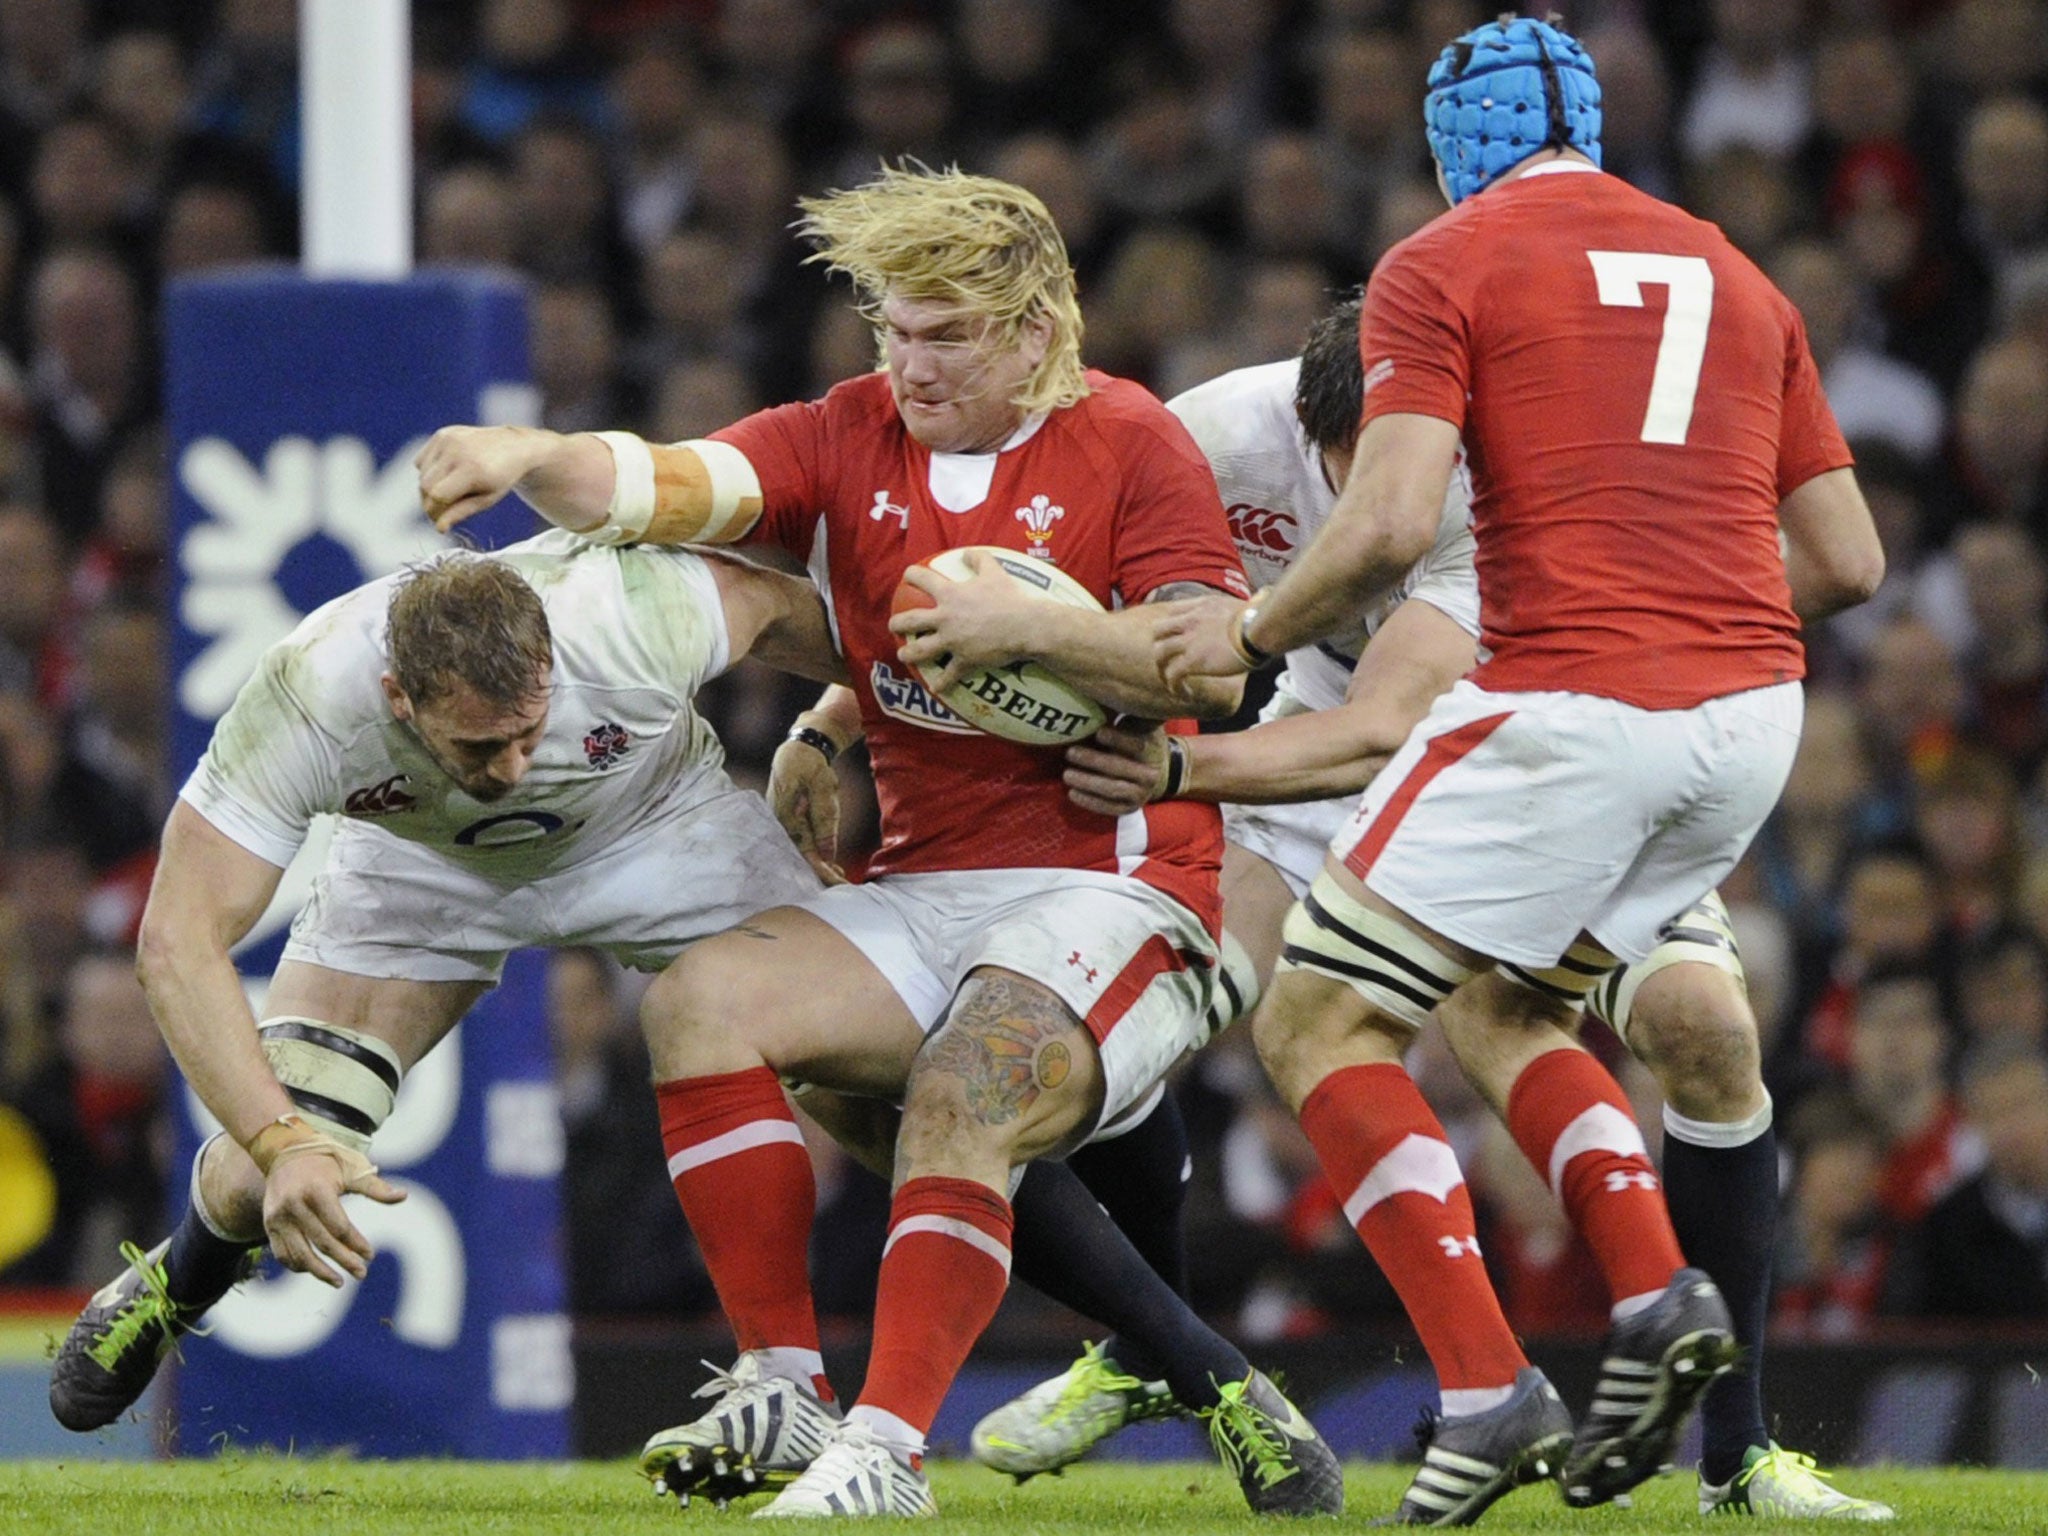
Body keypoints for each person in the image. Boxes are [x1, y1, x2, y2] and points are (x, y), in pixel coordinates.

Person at [412, 166, 1340, 1519]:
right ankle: (785, 1391)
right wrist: (528, 457)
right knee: (703, 1000)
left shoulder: (1134, 439)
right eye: (895, 332)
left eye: (948, 333)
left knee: (964, 1091)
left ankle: (888, 1456)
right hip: (923, 888)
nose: (911, 363)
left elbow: (1208, 667)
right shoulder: (847, 433)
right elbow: (674, 480)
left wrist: (1043, 633)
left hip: (1117, 884)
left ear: (1036, 330)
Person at [965, 298, 1890, 1517]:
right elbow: (1058, 584)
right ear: (1312, 429)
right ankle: (1155, 1345)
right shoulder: (1212, 434)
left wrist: (1184, 766)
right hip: (1313, 739)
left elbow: (1390, 731)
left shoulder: (1490, 473)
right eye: (1379, 460)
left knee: (1698, 1034)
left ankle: (1736, 1455)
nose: (1408, 493)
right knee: (1171, 995)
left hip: (1518, 745)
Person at [1154, 17, 1883, 1524]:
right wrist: (1703, 620)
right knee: (1573, 1007)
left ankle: (1496, 1391)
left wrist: (1247, 636)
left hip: (1564, 699)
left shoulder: (1442, 262)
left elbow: (1381, 522)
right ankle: (1686, 1364)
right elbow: (1852, 563)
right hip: (1750, 713)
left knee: (1317, 1018)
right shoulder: (1736, 272)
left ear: (1448, 150)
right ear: (1601, 129)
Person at [47, 531, 844, 1431]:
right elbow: (175, 942)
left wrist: (828, 724)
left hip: (653, 827)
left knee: (900, 1059)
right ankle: (178, 1277)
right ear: (399, 699)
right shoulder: (310, 692)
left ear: (550, 661)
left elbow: (839, 628)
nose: (510, 771)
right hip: (426, 877)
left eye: (528, 735)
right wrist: (281, 1144)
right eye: (476, 746)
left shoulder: (634, 611)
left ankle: (948, 1391)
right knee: (263, 1154)